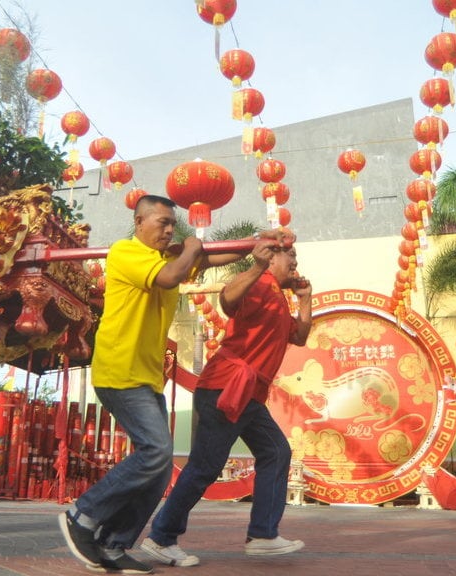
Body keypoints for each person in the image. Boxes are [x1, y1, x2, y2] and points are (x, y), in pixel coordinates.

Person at [58, 195, 279, 574]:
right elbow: (175, 274)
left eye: (171, 224)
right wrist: (192, 246)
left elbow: (207, 259)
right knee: (157, 451)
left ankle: (113, 544)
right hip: (119, 371)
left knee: (159, 469)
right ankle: (84, 514)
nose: (168, 230)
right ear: (139, 221)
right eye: (161, 222)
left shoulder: (164, 258)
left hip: (146, 379)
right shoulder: (125, 252)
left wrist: (260, 243)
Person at [141, 240, 312, 566]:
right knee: (206, 465)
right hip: (226, 388)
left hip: (246, 395)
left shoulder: (278, 295)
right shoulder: (260, 281)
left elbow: (299, 336)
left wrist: (306, 300)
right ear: (271, 256)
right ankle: (161, 537)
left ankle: (263, 535)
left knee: (275, 451)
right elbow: (228, 301)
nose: (294, 262)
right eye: (289, 255)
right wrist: (257, 266)